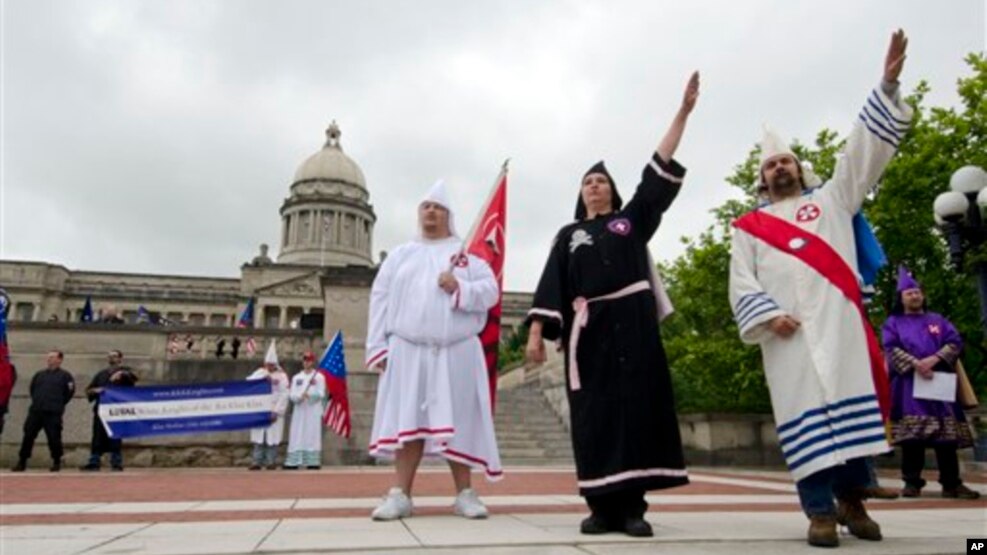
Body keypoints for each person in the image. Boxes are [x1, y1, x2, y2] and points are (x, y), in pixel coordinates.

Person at [728, 31, 911, 548]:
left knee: (852, 412)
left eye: (785, 160)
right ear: (762, 179)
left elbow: (860, 155)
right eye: (770, 164)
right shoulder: (747, 226)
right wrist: (766, 316)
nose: (779, 167)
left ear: (798, 167)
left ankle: (854, 503)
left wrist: (887, 86)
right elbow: (741, 281)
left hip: (839, 325)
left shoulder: (832, 201)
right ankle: (818, 513)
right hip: (787, 337)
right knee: (805, 420)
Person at [524, 73, 699, 537]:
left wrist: (681, 113)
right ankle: (600, 506)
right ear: (580, 194)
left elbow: (656, 171)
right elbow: (550, 286)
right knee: (594, 412)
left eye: (601, 181)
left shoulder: (631, 222)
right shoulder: (568, 235)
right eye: (587, 183)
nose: (594, 187)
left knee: (638, 407)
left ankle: (634, 508)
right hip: (590, 333)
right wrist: (537, 335)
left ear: (612, 191)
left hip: (635, 327)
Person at [366, 180, 502, 521]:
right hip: (408, 350)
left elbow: (491, 293)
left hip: (456, 350)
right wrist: (378, 347)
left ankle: (465, 494)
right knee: (407, 420)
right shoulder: (400, 256)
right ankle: (401, 494)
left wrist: (460, 286)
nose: (430, 211)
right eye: (425, 205)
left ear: (448, 215)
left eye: (437, 207)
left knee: (459, 421)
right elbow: (379, 299)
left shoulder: (468, 256)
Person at [882, 266, 980, 500]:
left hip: (939, 382)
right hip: (909, 386)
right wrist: (916, 364)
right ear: (901, 298)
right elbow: (890, 348)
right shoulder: (893, 322)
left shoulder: (938, 320)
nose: (915, 296)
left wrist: (934, 359)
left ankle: (951, 483)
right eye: (909, 293)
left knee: (946, 436)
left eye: (917, 292)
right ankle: (912, 482)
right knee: (912, 436)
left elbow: (954, 342)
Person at [11, 350, 75, 472]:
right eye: (48, 357)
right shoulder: (39, 374)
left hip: (53, 412)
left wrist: (58, 404)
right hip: (36, 411)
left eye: (52, 357)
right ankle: (22, 461)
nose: (49, 359)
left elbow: (69, 392)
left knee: (54, 437)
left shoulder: (66, 376)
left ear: (60, 359)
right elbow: (32, 389)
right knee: (28, 435)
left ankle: (56, 461)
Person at [80, 350, 138, 471]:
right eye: (110, 356)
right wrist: (96, 390)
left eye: (114, 356)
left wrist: (122, 373)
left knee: (115, 436)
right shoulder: (101, 374)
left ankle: (116, 462)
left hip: (116, 410)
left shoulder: (126, 372)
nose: (112, 358)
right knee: (97, 436)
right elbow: (89, 390)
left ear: (120, 358)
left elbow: (134, 378)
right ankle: (94, 461)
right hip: (101, 409)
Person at [246, 342, 290, 470]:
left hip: (274, 410)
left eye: (271, 365)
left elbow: (284, 394)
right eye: (267, 364)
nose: (268, 367)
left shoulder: (282, 377)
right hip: (260, 410)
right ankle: (256, 462)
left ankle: (271, 462)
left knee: (272, 438)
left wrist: (276, 411)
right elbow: (248, 382)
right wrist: (262, 378)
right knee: (259, 437)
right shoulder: (260, 372)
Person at [283, 351, 327, 470]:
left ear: (312, 362)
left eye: (309, 360)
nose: (306, 362)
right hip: (300, 410)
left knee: (312, 434)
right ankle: (294, 461)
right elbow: (291, 394)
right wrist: (298, 398)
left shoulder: (319, 377)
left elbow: (322, 393)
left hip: (313, 410)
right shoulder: (297, 377)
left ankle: (312, 461)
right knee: (297, 433)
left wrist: (311, 396)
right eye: (305, 360)